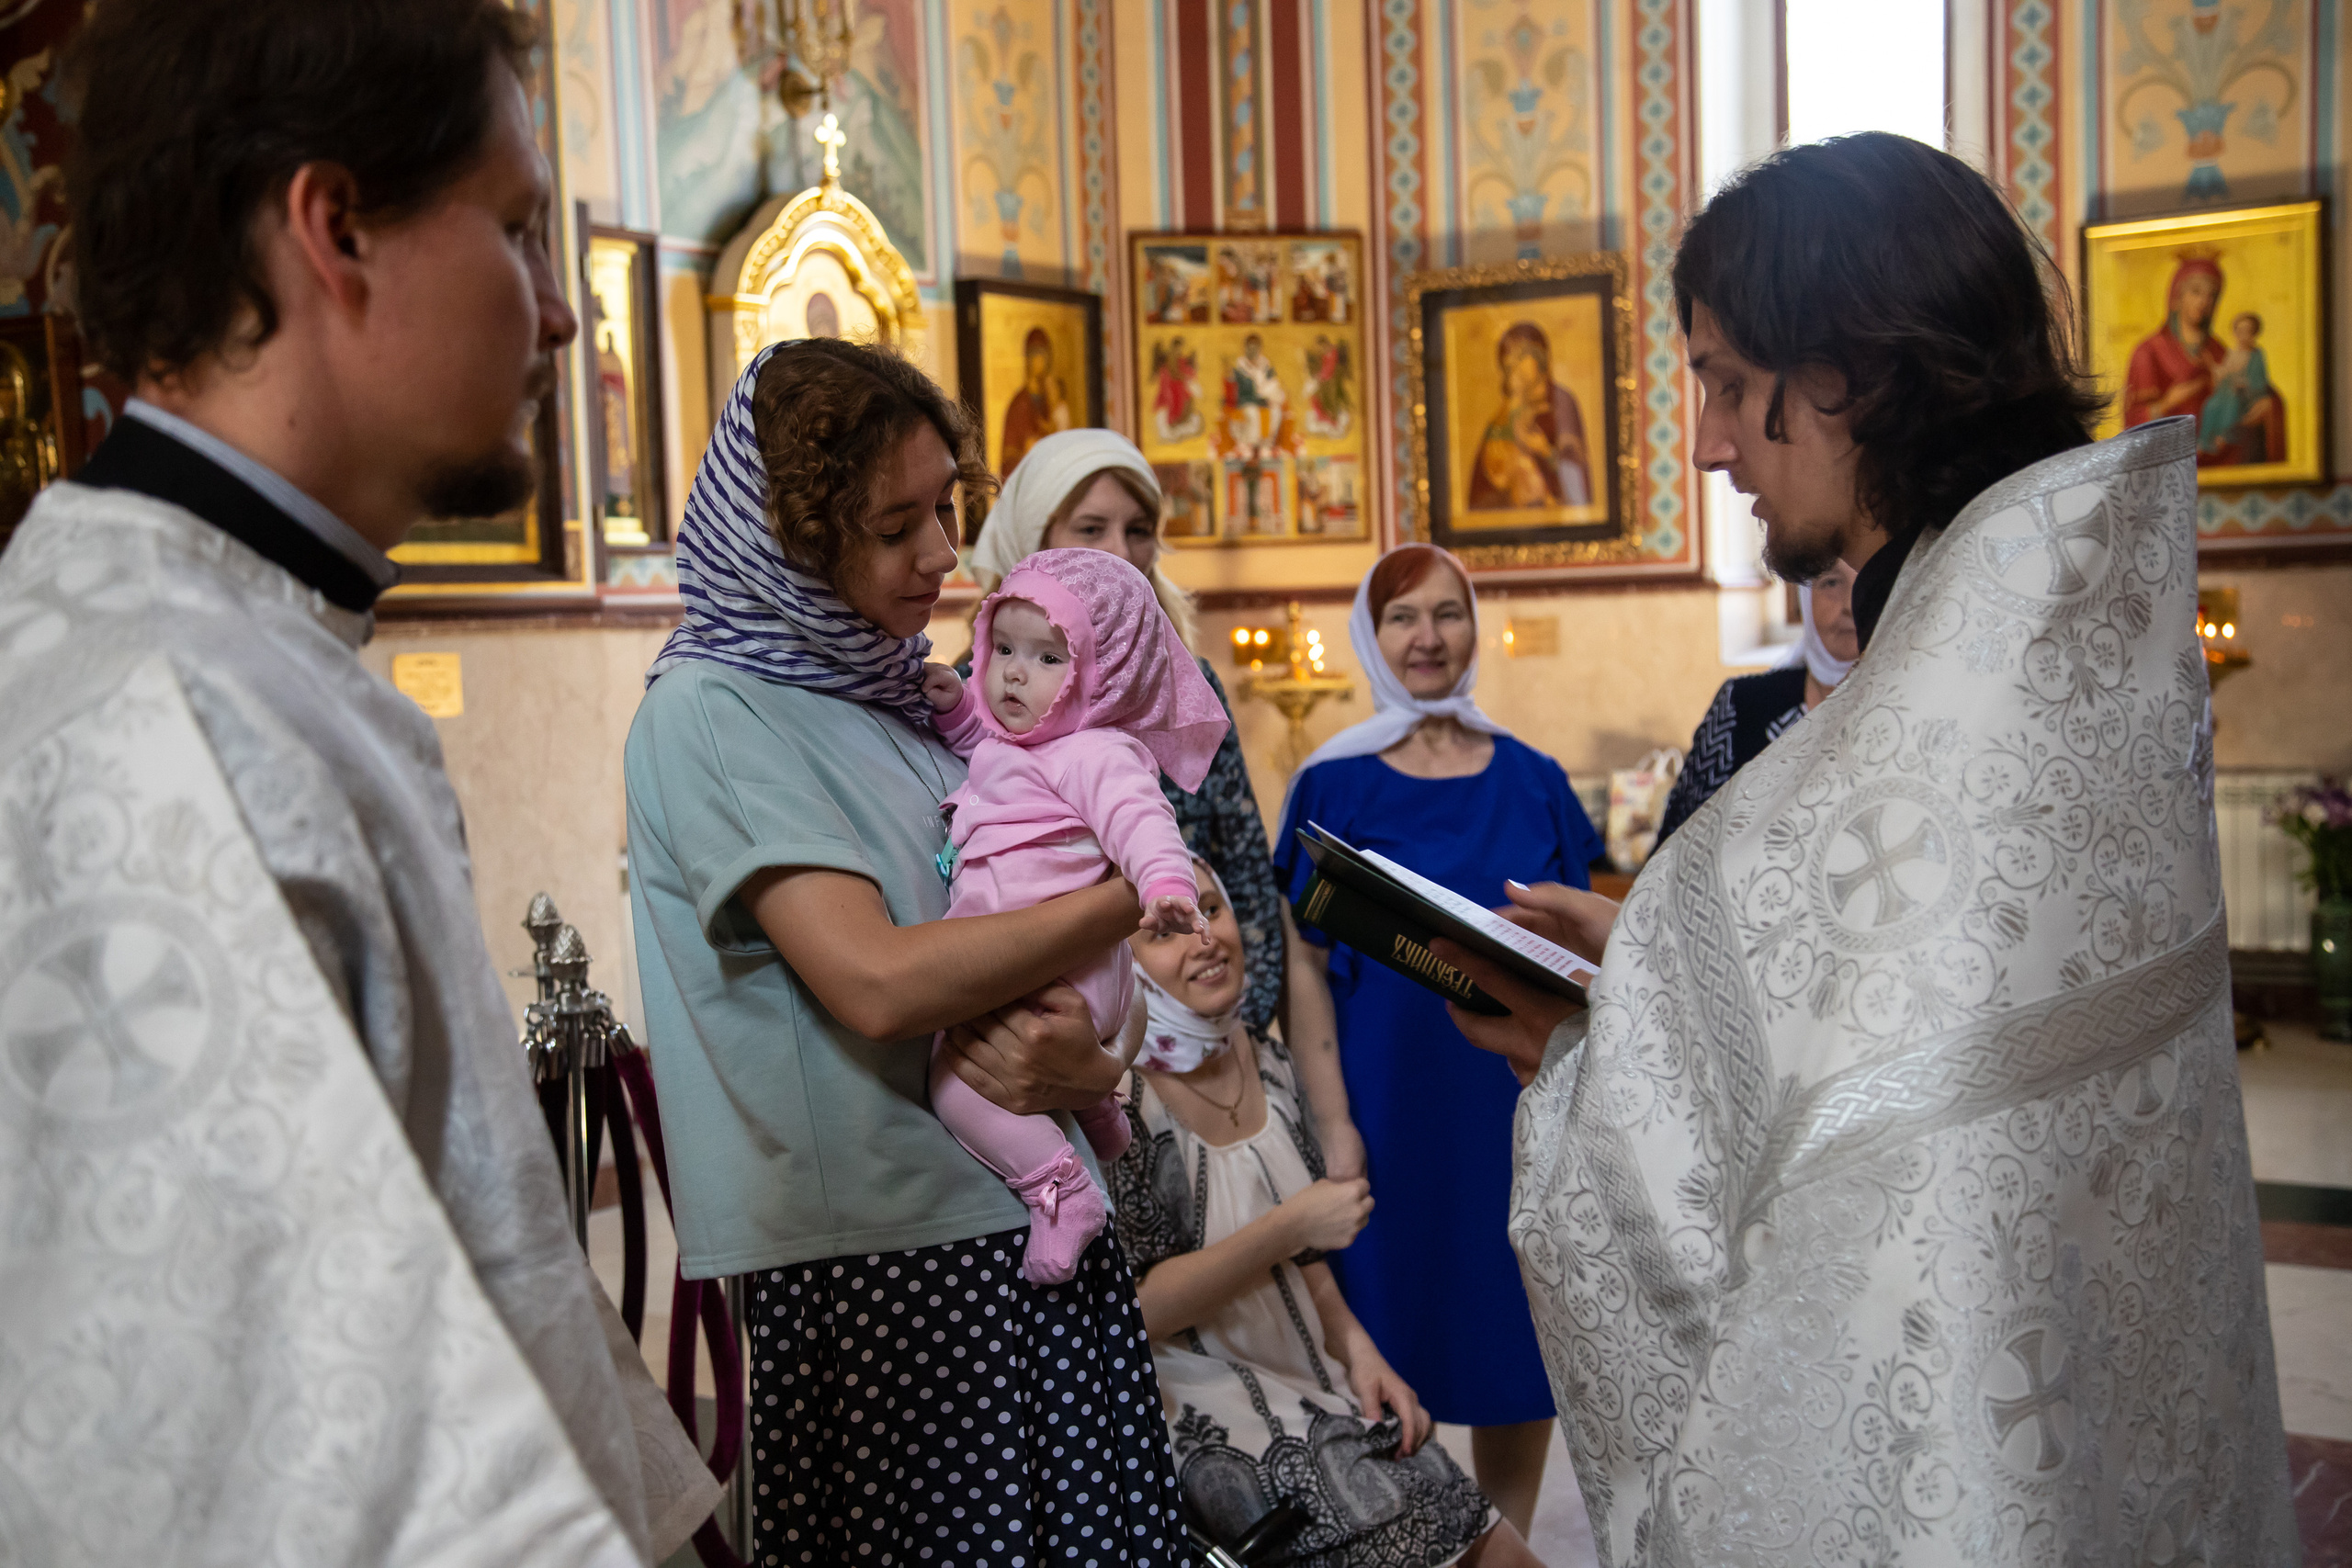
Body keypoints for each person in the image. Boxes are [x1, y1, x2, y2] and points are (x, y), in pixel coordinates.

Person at [1442, 132, 2294, 1566]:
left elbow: (1813, 1150)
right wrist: (1644, 961)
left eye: (1722, 380)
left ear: (1851, 368)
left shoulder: (1958, 697)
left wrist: (1593, 1044)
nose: (1709, 444)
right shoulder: (2044, 633)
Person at [0, 2, 718, 1562]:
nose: (558, 317)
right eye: (520, 231)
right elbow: (287, 1447)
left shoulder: (244, 639)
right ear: (334, 231)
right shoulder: (163, 708)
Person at [625, 341, 1184, 1562]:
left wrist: (1095, 1059)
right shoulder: (714, 711)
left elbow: (1056, 974)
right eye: (895, 526)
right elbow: (878, 982)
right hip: (889, 1277)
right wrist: (1121, 897)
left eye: (947, 509)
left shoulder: (911, 695)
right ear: (790, 539)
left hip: (1027, 1232)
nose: (942, 553)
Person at [1273, 543, 1603, 1541]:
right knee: (1385, 1344)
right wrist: (1333, 1124)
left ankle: (1505, 1546)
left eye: (1447, 613)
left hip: (1512, 1102)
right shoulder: (1331, 782)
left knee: (1516, 1347)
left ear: (1474, 626)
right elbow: (1304, 965)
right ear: (1369, 639)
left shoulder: (1533, 776)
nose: (1427, 636)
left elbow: (1579, 944)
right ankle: (1412, 1552)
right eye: (1402, 617)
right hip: (1387, 1101)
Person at [1111, 859, 1552, 1568]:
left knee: (1497, 1543)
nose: (1205, 938)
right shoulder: (1120, 1103)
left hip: (1317, 1379)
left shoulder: (1272, 1061)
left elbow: (1308, 1264)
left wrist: (1364, 1355)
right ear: (1118, 963)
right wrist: (1289, 1226)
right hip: (1203, 1410)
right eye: (1165, 931)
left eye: (1213, 910)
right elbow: (1135, 1312)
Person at [967, 429, 1311, 1151]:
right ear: (1037, 540)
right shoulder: (994, 693)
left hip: (1196, 1041)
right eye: (1091, 529)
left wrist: (1238, 1028)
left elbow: (1240, 863)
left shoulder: (1185, 687)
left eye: (1140, 530)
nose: (1121, 550)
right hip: (1048, 1030)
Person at [916, 547, 1227, 1281]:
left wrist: (1163, 882)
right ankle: (1101, 1118)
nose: (1015, 673)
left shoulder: (1095, 750)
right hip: (1061, 970)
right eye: (1006, 650)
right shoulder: (1025, 739)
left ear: (1102, 674)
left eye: (1048, 656)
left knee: (951, 1083)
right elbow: (988, 755)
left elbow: (1140, 816)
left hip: (1060, 975)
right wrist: (960, 706)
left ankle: (1060, 1188)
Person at [1653, 560, 1857, 847]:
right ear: (1804, 599)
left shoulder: (1907, 708)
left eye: (1868, 582)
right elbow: (1677, 845)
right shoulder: (1741, 708)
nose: (1849, 604)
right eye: (1831, 584)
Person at [2122, 252, 2286, 466]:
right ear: (2176, 297)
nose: (2203, 301)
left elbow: (2246, 390)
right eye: (2196, 292)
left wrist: (2266, 403)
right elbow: (2132, 422)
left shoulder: (2219, 352)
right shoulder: (2149, 352)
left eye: (2212, 295)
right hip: (2170, 466)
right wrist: (2167, 403)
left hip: (2222, 460)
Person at [1468, 322, 1590, 509]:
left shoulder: (1561, 403)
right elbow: (1481, 494)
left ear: (1541, 359)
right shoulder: (1503, 416)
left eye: (1523, 355)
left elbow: (1576, 473)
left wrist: (1545, 451)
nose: (1515, 364)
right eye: (1509, 359)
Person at [2198, 310, 2279, 464]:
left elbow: (2260, 381)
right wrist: (2210, 364)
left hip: (2246, 396)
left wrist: (2245, 385)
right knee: (2210, 405)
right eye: (2239, 331)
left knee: (2232, 403)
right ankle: (2205, 441)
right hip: (2227, 392)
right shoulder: (2232, 353)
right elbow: (2222, 373)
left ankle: (2224, 435)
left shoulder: (2256, 355)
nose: (2243, 335)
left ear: (2254, 334)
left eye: (2247, 331)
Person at [999, 324, 1073, 475]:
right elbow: (1008, 458)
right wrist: (1025, 452)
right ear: (1028, 358)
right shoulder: (1019, 404)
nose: (1040, 360)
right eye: (1035, 354)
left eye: (1043, 355)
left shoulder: (1053, 399)